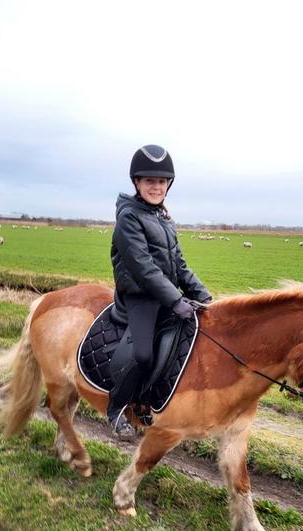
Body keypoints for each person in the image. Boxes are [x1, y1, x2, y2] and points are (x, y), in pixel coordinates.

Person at [108, 144, 212, 436]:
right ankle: (117, 407)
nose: (156, 187)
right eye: (149, 181)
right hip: (139, 296)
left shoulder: (164, 218)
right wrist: (176, 300)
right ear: (137, 183)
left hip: (165, 293)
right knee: (142, 354)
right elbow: (143, 268)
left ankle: (153, 398)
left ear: (169, 185)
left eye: (161, 181)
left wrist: (202, 294)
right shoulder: (128, 217)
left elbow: (178, 264)